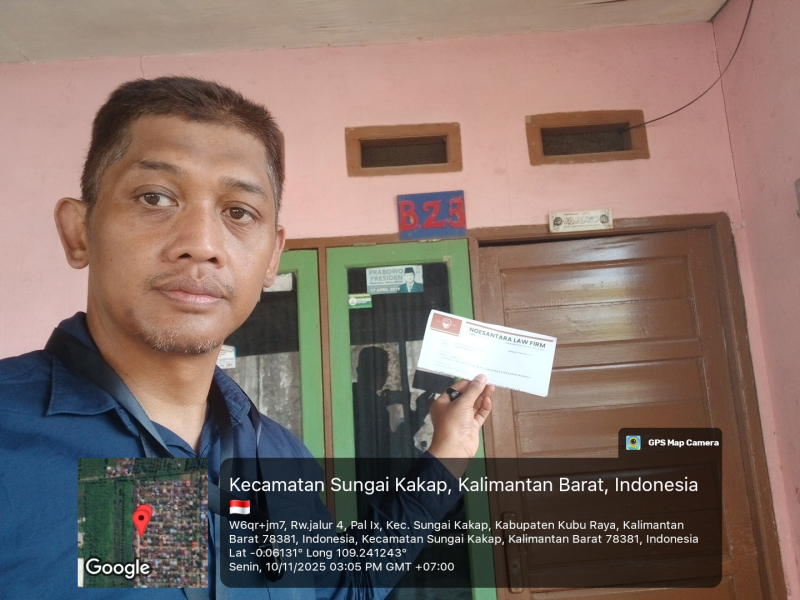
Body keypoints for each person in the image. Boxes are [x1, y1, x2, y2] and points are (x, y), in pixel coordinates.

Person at [0, 77, 494, 599]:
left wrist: (449, 450)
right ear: (79, 232)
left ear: (273, 257)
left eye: (238, 212)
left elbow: (348, 590)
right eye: (155, 197)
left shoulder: (276, 456)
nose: (201, 244)